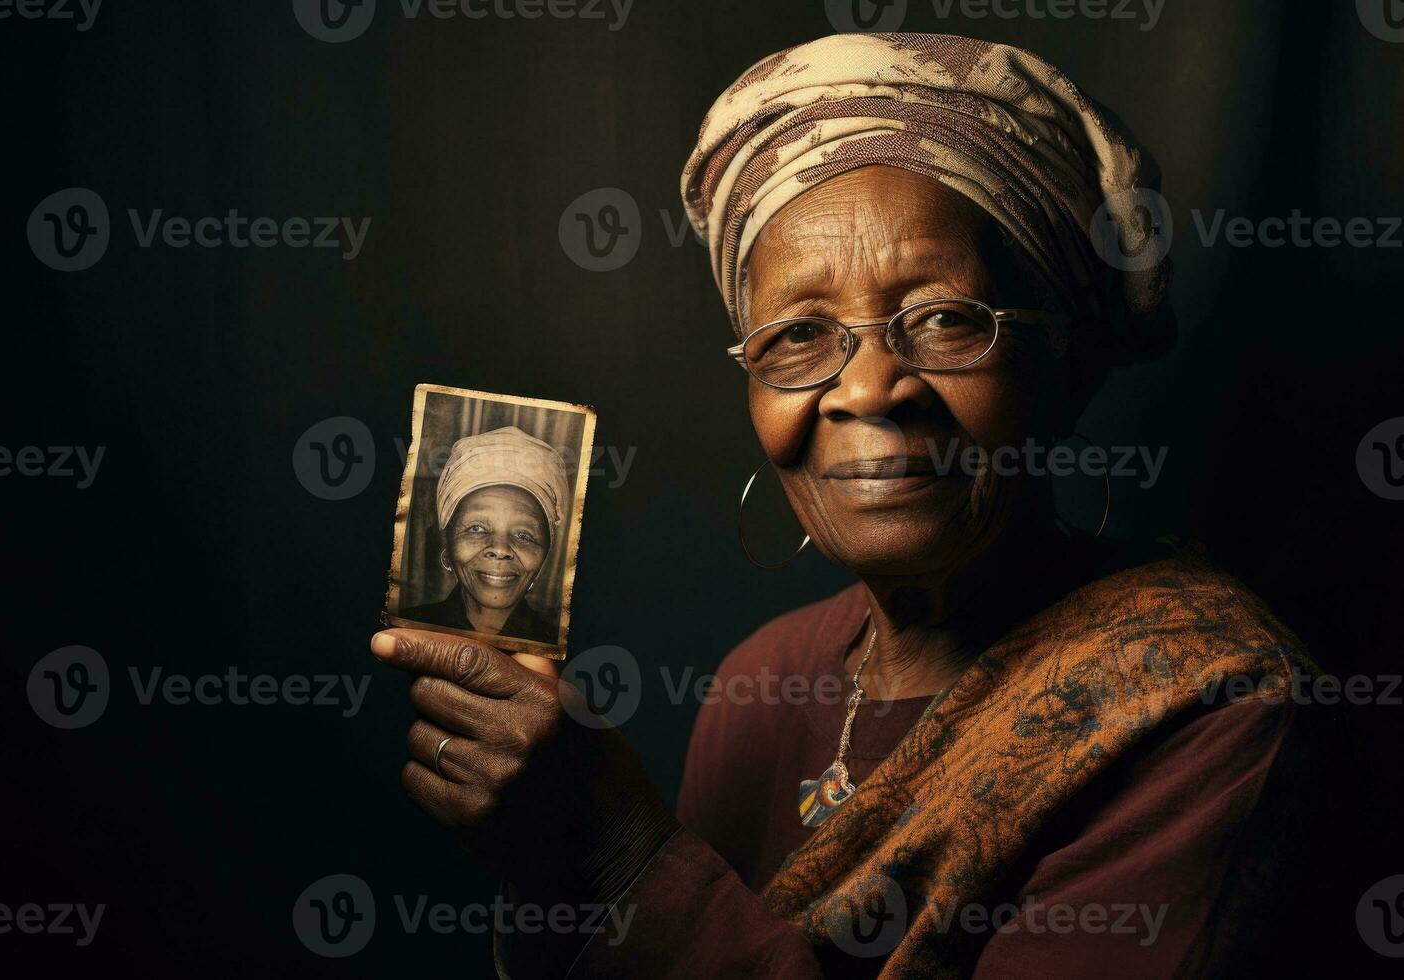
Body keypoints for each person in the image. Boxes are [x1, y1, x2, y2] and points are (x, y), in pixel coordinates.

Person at [370, 34, 1331, 978]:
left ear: (1065, 366)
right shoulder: (765, 678)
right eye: (797, 335)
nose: (870, 388)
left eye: (948, 319)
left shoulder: (1211, 705)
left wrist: (623, 863)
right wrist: (551, 862)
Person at [398, 425, 567, 645]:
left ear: (545, 556)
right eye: (476, 528)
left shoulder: (556, 647)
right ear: (448, 547)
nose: (500, 549)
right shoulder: (406, 629)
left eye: (524, 535)